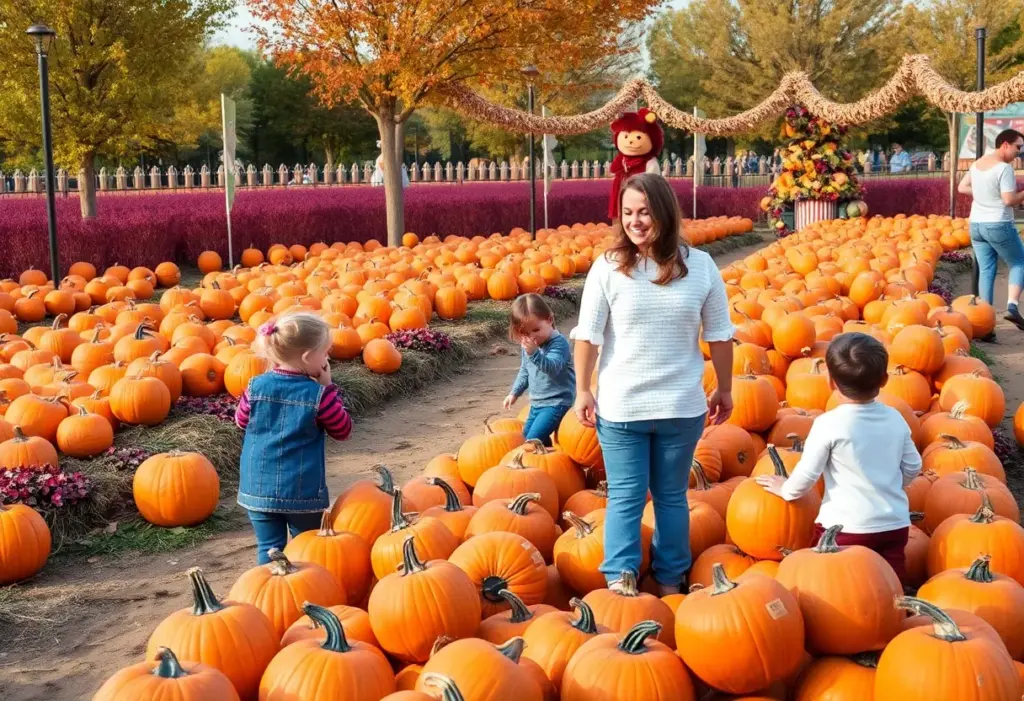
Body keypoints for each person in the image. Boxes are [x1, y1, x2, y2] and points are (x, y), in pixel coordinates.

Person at [572, 172, 735, 596]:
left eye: (645, 211)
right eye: (627, 212)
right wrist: (583, 390)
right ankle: (625, 581)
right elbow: (587, 335)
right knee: (634, 497)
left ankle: (667, 580)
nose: (636, 221)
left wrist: (726, 387)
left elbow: (719, 334)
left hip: (679, 407)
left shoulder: (700, 266)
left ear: (665, 212)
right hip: (624, 408)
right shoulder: (608, 268)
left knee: (667, 498)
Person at [756, 333, 922, 584]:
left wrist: (786, 490)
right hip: (894, 524)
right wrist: (894, 485)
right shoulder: (896, 418)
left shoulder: (828, 424)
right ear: (885, 380)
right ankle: (896, 616)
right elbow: (913, 465)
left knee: (828, 583)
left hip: (844, 528)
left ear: (830, 381)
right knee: (890, 583)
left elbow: (808, 474)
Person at [235, 311, 353, 563]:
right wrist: (328, 388)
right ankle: (303, 594)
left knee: (268, 547)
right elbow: (342, 430)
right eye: (326, 352)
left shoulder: (255, 386)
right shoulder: (317, 395)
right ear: (308, 357)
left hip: (257, 488)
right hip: (300, 490)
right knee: (306, 548)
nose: (328, 358)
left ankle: (266, 590)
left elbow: (240, 421)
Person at [958, 128, 1024, 336]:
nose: (1019, 153)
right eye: (1018, 147)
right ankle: (1012, 306)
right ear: (1005, 144)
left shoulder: (977, 164)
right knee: (1019, 262)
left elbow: (962, 187)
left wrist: (983, 196)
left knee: (987, 271)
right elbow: (1008, 200)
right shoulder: (1004, 168)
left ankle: (985, 326)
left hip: (976, 224)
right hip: (998, 224)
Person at [503, 294, 576, 445]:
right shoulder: (529, 345)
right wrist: (514, 392)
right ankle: (551, 460)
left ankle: (551, 462)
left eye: (536, 330)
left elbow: (552, 368)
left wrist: (534, 353)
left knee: (532, 440)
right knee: (526, 438)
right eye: (525, 333)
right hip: (536, 404)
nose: (532, 337)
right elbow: (525, 370)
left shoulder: (559, 344)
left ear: (549, 320)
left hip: (557, 403)